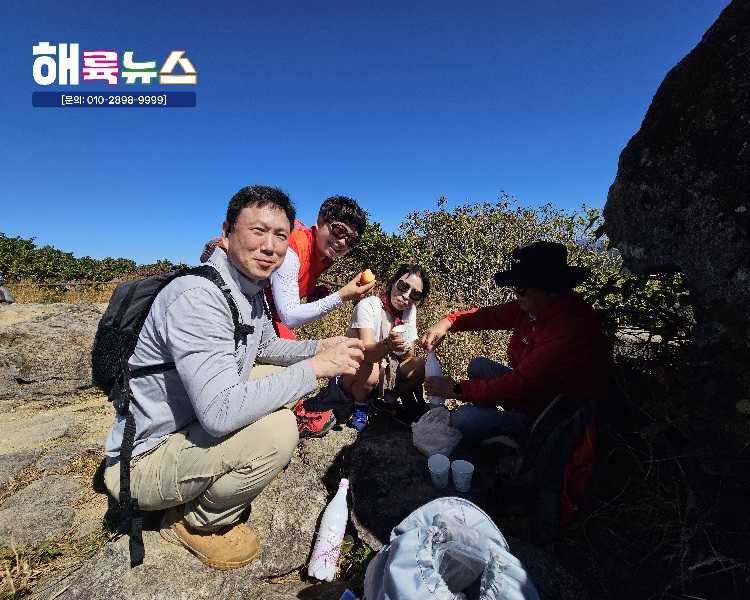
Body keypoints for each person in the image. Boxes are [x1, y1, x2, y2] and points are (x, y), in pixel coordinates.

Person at [104, 186, 365, 570]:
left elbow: (266, 347)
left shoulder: (248, 290)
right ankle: (197, 522)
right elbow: (219, 413)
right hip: (141, 461)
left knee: (276, 377)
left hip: (187, 420)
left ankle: (225, 471)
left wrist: (319, 347)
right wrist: (315, 369)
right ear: (226, 232)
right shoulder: (199, 297)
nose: (270, 246)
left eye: (280, 236)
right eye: (258, 230)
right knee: (279, 432)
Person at [201, 196, 376, 438]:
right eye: (338, 230)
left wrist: (314, 290)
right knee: (286, 347)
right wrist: (342, 295)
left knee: (284, 346)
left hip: (263, 309)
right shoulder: (293, 250)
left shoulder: (321, 253)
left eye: (351, 239)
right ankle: (287, 414)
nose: (342, 241)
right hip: (240, 304)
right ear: (320, 221)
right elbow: (290, 315)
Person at [422, 241, 612, 444]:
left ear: (550, 288)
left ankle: (521, 439)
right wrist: (449, 322)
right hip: (534, 395)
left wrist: (457, 389)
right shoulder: (536, 305)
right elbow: (489, 316)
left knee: (463, 419)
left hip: (552, 416)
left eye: (521, 289)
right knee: (478, 366)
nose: (516, 295)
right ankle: (498, 422)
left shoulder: (569, 329)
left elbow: (518, 385)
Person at [341, 264, 431, 430]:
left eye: (415, 294)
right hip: (357, 369)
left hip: (386, 368)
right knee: (372, 369)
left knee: (420, 366)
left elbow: (408, 355)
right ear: (393, 282)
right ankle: (359, 404)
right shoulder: (368, 306)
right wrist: (388, 344)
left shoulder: (409, 311)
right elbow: (366, 354)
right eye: (403, 286)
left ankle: (386, 400)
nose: (406, 296)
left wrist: (401, 346)